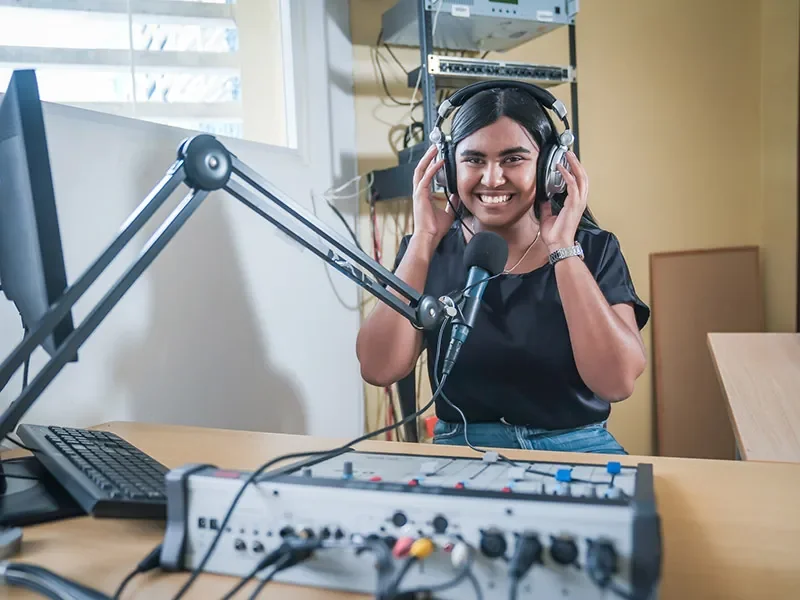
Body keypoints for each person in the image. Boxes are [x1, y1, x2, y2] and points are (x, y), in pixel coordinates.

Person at [355, 85, 650, 454]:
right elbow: (378, 369)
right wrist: (423, 241)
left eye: (513, 159)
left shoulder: (593, 250)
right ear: (447, 168)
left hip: (577, 446)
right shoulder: (428, 253)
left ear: (550, 169)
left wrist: (563, 250)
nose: (492, 178)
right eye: (474, 160)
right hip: (461, 446)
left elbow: (617, 382)